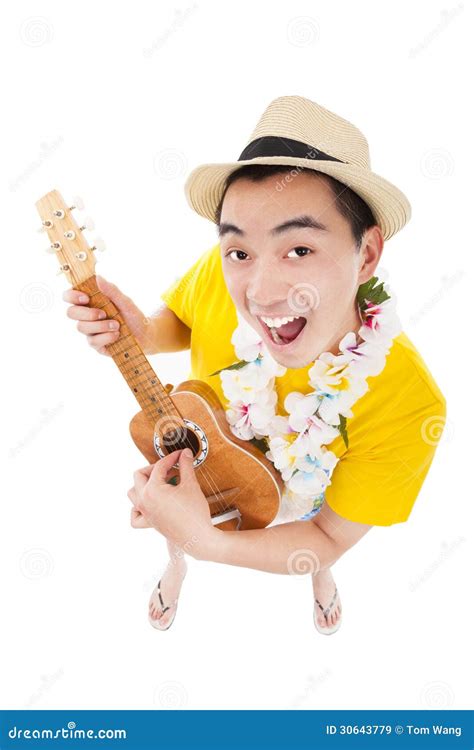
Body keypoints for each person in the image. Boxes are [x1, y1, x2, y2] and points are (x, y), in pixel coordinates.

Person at [63, 96, 447, 634]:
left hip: (312, 501)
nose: (261, 295)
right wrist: (141, 334)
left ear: (366, 255)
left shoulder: (410, 404)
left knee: (316, 544)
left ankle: (318, 580)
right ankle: (175, 565)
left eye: (299, 250)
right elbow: (186, 316)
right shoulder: (222, 272)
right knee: (174, 506)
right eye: (240, 251)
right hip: (212, 454)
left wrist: (210, 543)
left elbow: (330, 534)